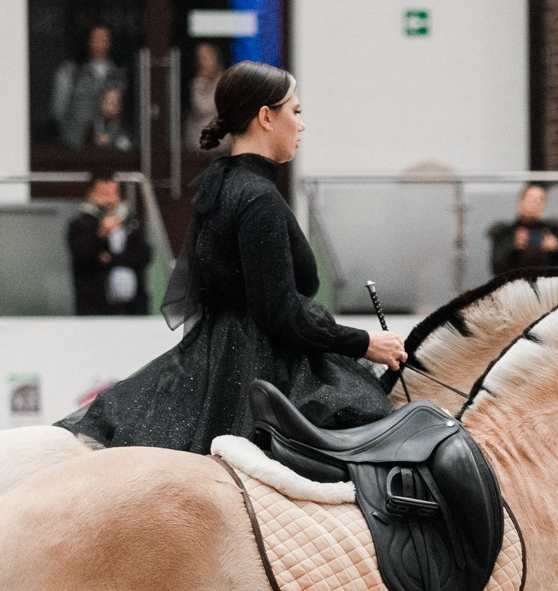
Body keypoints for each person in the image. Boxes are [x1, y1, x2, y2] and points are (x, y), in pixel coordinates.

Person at [57, 61, 404, 454]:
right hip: (258, 368)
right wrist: (363, 342)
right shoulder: (257, 197)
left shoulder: (219, 185)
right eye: (296, 112)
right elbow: (278, 312)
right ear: (266, 117)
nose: (302, 124)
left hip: (220, 360)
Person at [67, 173, 153, 316]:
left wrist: (111, 259)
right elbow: (82, 257)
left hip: (133, 308)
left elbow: (144, 255)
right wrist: (101, 234)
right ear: (91, 194)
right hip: (95, 308)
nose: (109, 200)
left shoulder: (131, 223)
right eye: (103, 194)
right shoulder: (80, 224)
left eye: (113, 193)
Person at [49, 25, 129, 150]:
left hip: (111, 146)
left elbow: (124, 109)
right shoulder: (70, 71)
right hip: (75, 145)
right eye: (96, 39)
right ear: (88, 41)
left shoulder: (119, 74)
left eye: (105, 39)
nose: (100, 44)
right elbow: (58, 110)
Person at [487, 183, 558, 275]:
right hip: (514, 286)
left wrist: (555, 252)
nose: (535, 203)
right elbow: (496, 269)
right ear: (520, 201)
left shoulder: (553, 231)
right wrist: (514, 247)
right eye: (531, 199)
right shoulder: (504, 232)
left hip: (546, 286)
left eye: (540, 199)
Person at [183, 41, 223, 149]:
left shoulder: (224, 81)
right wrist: (202, 81)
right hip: (198, 146)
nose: (203, 62)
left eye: (206, 57)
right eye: (200, 58)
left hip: (222, 147)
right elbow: (201, 107)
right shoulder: (197, 83)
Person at [90, 86, 137, 153]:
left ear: (120, 106)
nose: (109, 107)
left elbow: (127, 146)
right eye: (106, 101)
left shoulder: (125, 126)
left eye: (114, 103)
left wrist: (110, 140)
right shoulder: (93, 123)